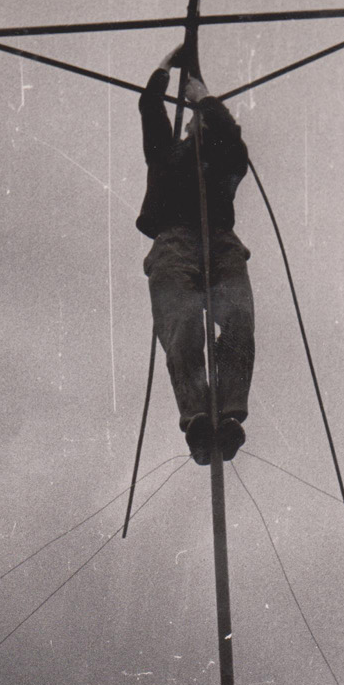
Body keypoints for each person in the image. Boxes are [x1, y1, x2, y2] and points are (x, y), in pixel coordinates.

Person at [137, 45, 255, 465]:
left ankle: (229, 412)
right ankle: (198, 418)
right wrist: (165, 67)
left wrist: (203, 96)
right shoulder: (166, 155)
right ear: (188, 125)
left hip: (220, 240)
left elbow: (232, 141)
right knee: (182, 323)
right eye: (195, 119)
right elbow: (150, 108)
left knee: (239, 317)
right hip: (174, 241)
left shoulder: (226, 157)